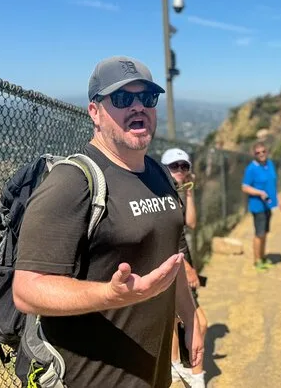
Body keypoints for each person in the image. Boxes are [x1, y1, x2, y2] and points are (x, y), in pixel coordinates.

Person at [12, 56, 203, 388]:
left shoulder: (159, 174)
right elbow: (26, 291)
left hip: (153, 374)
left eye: (147, 97)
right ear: (94, 112)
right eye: (123, 98)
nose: (138, 106)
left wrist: (190, 315)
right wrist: (111, 295)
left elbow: (170, 260)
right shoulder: (72, 182)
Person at [161, 148, 208, 388]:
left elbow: (191, 222)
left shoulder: (175, 194)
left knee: (176, 320)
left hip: (181, 262)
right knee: (199, 322)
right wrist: (187, 267)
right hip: (178, 264)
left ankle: (178, 366)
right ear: (164, 168)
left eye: (184, 166)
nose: (180, 170)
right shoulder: (162, 195)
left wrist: (189, 192)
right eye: (174, 166)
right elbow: (169, 238)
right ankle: (195, 377)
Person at [241, 141, 281, 272]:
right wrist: (259, 192)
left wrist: (279, 199)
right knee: (259, 234)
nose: (261, 154)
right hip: (258, 207)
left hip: (268, 206)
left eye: (263, 151)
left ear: (267, 152)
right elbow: (245, 187)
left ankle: (263, 257)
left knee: (264, 233)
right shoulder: (251, 168)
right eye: (258, 153)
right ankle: (257, 261)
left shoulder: (270, 164)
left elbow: (273, 184)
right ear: (254, 154)